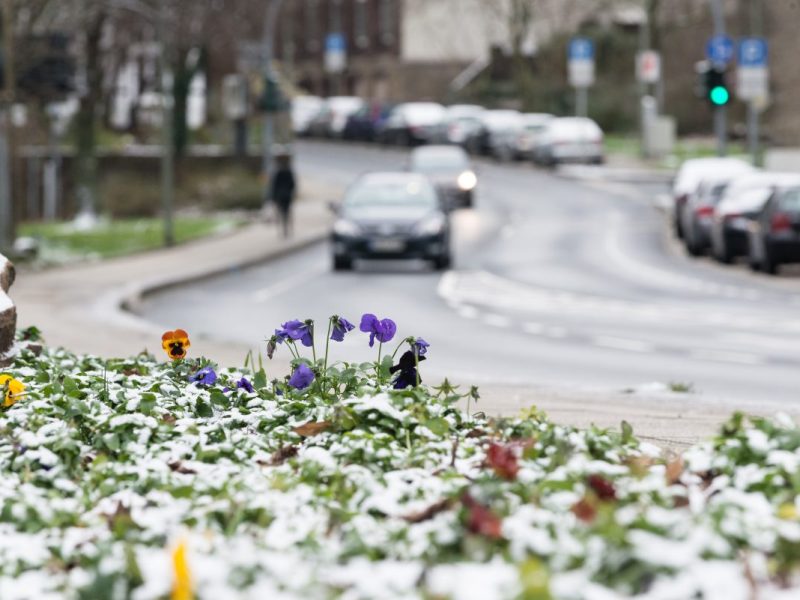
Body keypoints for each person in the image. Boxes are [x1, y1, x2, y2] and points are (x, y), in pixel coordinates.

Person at [270, 152, 296, 238]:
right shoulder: (288, 171)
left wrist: (273, 197)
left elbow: (274, 186)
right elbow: (292, 184)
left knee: (281, 213)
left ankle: (283, 229)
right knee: (286, 212)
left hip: (280, 196)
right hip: (287, 196)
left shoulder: (278, 172)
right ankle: (286, 229)